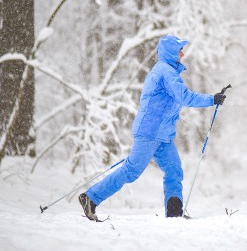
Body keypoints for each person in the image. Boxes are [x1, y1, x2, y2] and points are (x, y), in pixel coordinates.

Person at [78, 35, 226, 220]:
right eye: (179, 49)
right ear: (171, 52)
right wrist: (212, 99)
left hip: (163, 135)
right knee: (131, 171)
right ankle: (90, 198)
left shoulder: (167, 71)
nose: (182, 53)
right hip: (149, 132)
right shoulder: (166, 72)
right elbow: (184, 97)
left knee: (174, 171)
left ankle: (174, 214)